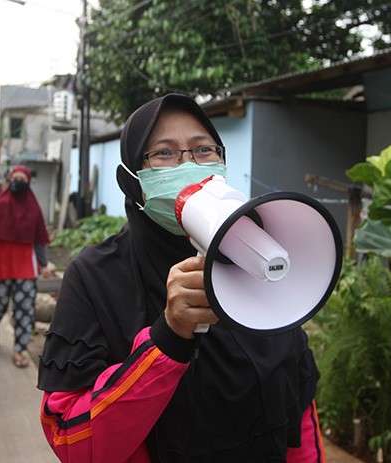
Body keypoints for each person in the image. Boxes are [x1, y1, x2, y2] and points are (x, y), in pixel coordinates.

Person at [37, 94, 324, 461]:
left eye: (204, 150)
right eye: (164, 153)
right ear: (132, 180)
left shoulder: (259, 259)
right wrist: (167, 339)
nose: (189, 165)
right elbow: (73, 444)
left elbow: (299, 419)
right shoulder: (96, 276)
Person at [0, 165, 51, 369]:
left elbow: (38, 239)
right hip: (0, 265)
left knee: (25, 310)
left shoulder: (33, 208)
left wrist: (43, 263)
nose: (18, 182)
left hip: (26, 267)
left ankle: (20, 349)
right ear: (9, 180)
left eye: (23, 179)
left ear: (28, 182)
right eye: (15, 178)